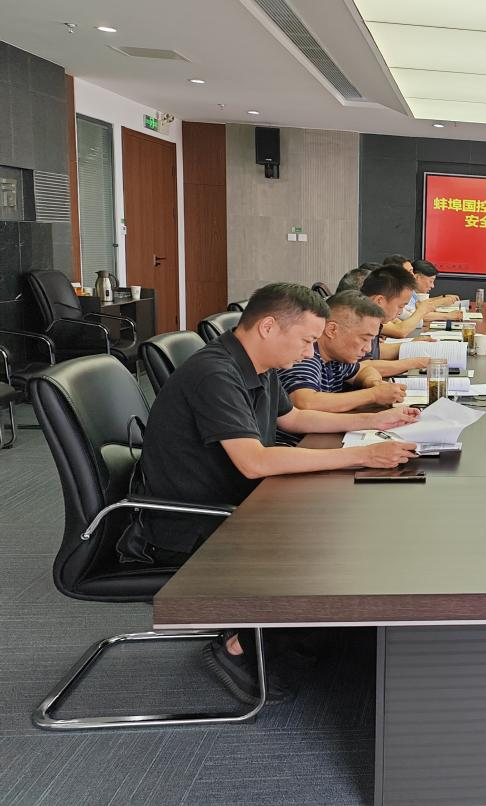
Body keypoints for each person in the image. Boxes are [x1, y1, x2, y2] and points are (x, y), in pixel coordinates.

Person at [117, 283, 420, 701]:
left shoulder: (256, 364)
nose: (310, 353)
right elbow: (254, 461)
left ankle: (302, 634)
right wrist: (362, 455)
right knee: (334, 540)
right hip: (194, 523)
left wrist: (376, 421)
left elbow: (293, 419)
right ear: (268, 327)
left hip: (239, 502)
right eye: (306, 341)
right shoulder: (215, 373)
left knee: (342, 518)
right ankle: (240, 646)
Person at [275, 291, 407, 445]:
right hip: (296, 446)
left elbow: (365, 370)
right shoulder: (305, 356)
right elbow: (305, 402)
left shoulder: (336, 357)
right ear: (332, 330)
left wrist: (374, 383)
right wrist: (373, 395)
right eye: (364, 339)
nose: (368, 349)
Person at [359, 265, 432, 377]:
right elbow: (360, 367)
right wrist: (412, 364)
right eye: (400, 306)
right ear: (380, 301)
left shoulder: (373, 318)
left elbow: (375, 352)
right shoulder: (356, 320)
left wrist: (410, 347)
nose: (400, 312)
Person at [380, 256, 459, 338]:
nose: (413, 276)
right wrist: (423, 310)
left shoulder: (406, 292)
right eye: (410, 272)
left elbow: (413, 320)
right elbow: (402, 329)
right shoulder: (389, 296)